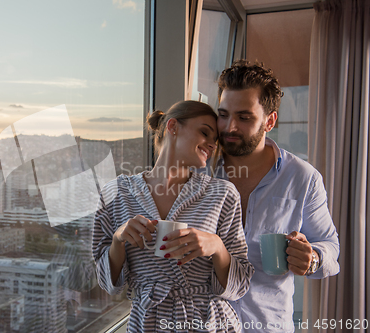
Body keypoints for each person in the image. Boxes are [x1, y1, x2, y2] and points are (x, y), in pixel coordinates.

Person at [92, 100, 254, 333]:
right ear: (173, 127)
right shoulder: (116, 193)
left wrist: (217, 247)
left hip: (210, 323)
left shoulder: (222, 193)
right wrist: (118, 238)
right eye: (204, 132)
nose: (211, 144)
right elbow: (108, 284)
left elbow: (240, 285)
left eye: (215, 140)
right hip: (147, 323)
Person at [213, 60, 340, 332]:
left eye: (244, 117)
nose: (229, 127)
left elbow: (330, 245)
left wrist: (313, 257)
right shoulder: (200, 172)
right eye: (223, 114)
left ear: (270, 120)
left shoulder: (302, 178)